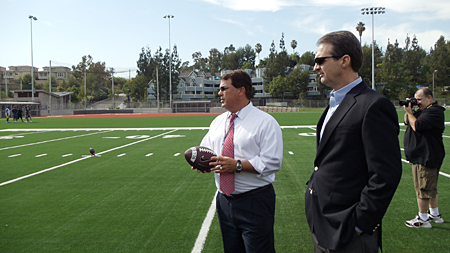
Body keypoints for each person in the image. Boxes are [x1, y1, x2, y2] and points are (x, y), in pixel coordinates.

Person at [304, 31, 402, 252]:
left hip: (349, 230)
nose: (316, 67)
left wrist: (359, 224)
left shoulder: (373, 105)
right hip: (322, 223)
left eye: (320, 60)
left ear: (344, 61)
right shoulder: (335, 101)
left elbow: (386, 174)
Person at [197, 69, 283, 252]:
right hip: (225, 201)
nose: (219, 93)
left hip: (255, 201)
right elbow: (206, 150)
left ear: (241, 90)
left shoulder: (265, 122)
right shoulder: (217, 122)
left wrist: (236, 166)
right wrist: (202, 163)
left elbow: (273, 162)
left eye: (224, 88)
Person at [404, 87, 445, 228]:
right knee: (430, 188)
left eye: (420, 99)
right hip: (422, 155)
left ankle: (423, 219)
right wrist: (409, 110)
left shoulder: (434, 112)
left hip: (426, 156)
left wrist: (410, 113)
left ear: (429, 98)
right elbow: (407, 121)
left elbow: (417, 125)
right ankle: (434, 214)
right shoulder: (423, 111)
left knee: (423, 189)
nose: (418, 102)